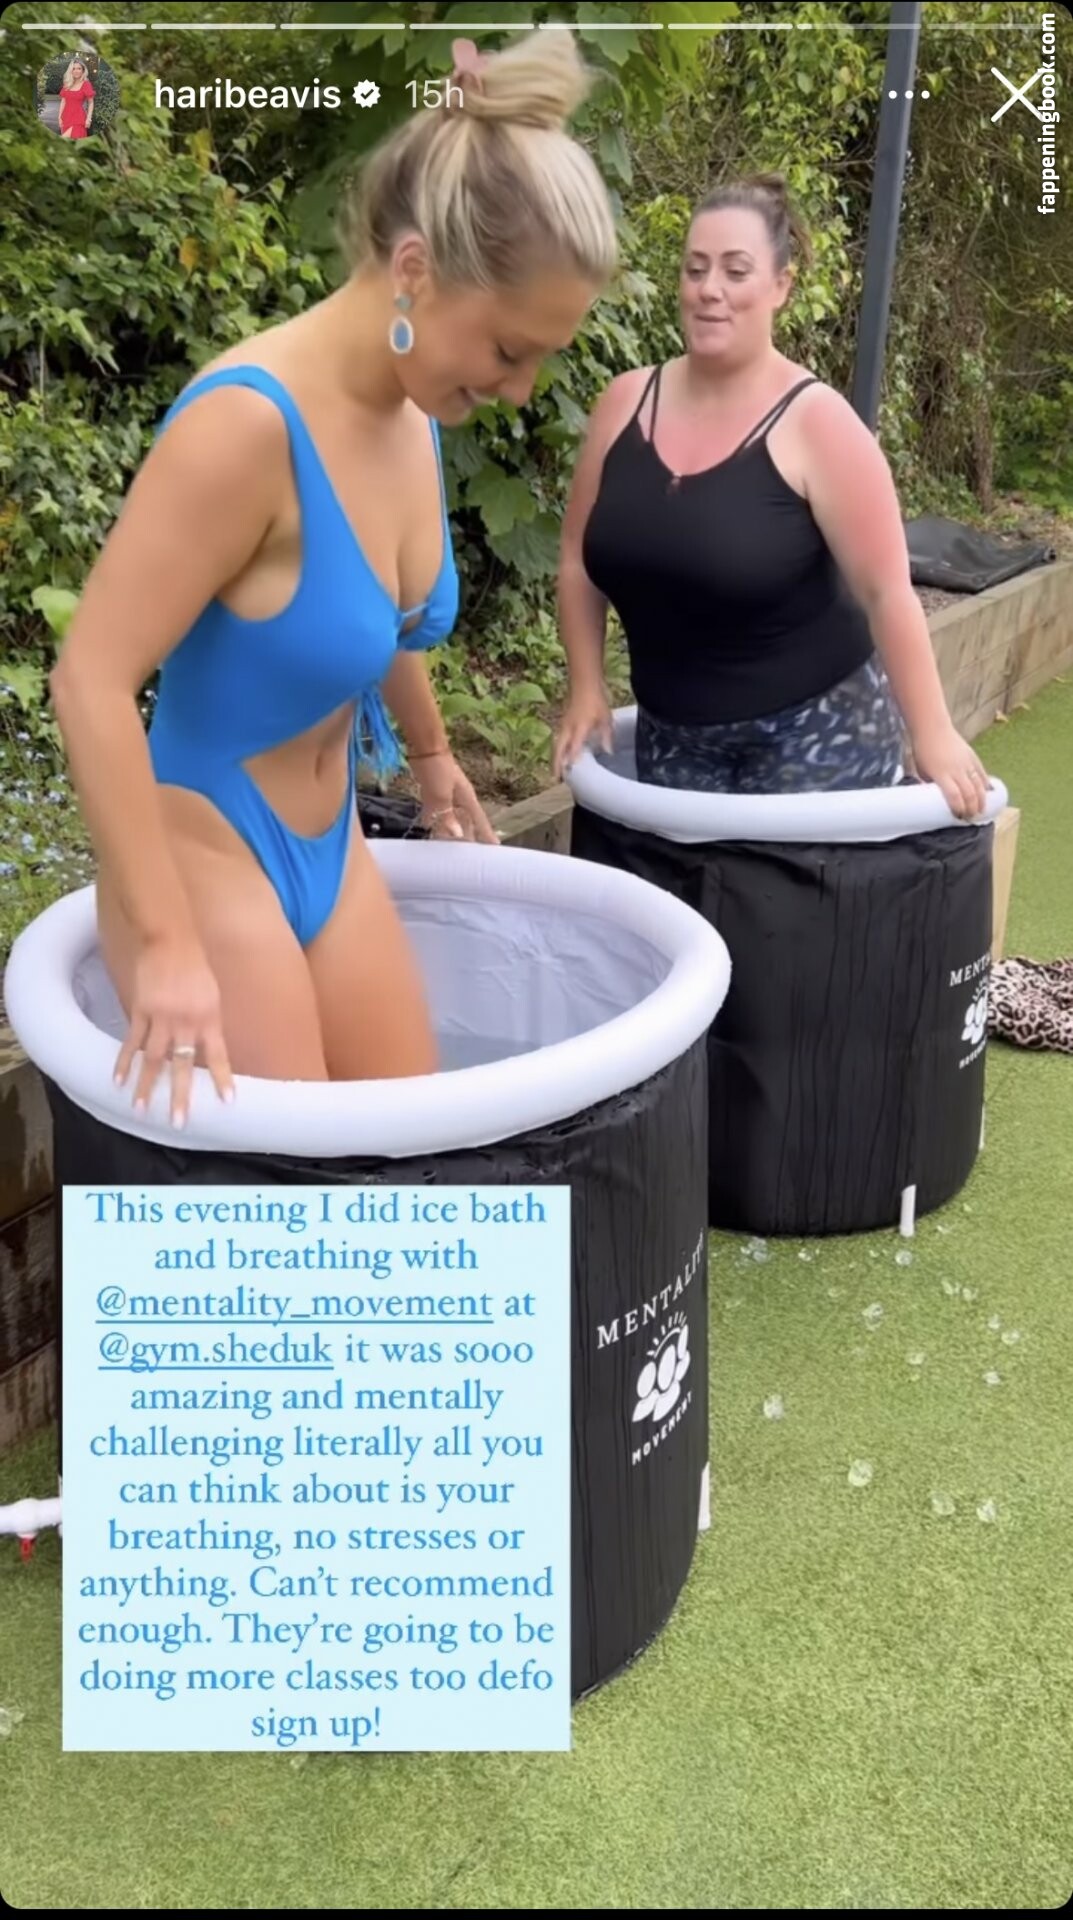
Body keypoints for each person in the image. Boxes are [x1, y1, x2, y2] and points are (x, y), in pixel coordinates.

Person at [49, 30, 617, 1126]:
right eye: (509, 350)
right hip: (204, 849)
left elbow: (378, 623)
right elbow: (88, 681)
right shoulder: (245, 427)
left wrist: (435, 758)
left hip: (330, 844)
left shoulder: (413, 408)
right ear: (414, 271)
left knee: (411, 1153)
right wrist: (164, 942)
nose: (518, 389)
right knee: (301, 1200)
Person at [554, 173, 990, 818]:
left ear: (781, 286)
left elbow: (886, 592)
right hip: (673, 736)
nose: (710, 289)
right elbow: (575, 561)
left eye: (736, 271)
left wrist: (933, 732)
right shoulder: (623, 403)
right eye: (696, 269)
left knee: (792, 891)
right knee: (680, 888)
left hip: (817, 735)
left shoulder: (820, 424)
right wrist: (586, 686)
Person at [58, 59, 95, 139]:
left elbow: (91, 102)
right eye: (73, 69)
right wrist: (59, 117)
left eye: (79, 68)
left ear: (83, 71)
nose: (76, 71)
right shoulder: (67, 84)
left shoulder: (86, 84)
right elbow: (63, 101)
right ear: (70, 71)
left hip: (78, 119)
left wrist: (88, 119)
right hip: (66, 118)